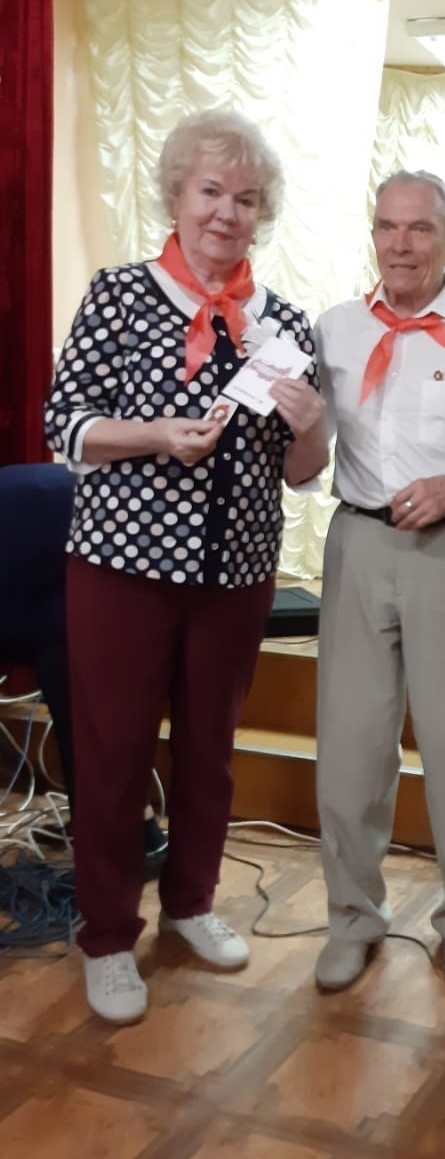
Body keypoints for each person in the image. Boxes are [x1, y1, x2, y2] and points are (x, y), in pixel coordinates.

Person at [44, 109, 327, 1025]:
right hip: (121, 569)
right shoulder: (121, 296)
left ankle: (192, 904)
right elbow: (64, 427)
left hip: (236, 576)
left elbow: (302, 471)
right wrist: (156, 436)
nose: (226, 213)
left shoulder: (283, 323)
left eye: (246, 199)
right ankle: (106, 936)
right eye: (210, 191)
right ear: (176, 195)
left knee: (212, 749)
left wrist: (313, 425)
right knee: (114, 753)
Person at [313, 170, 445, 991]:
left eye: (420, 229)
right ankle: (352, 919)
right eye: (386, 227)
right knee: (349, 749)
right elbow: (307, 452)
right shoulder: (334, 330)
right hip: (358, 544)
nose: (400, 245)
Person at [0, 463, 167, 872]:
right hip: (51, 550)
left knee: (84, 706)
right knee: (78, 696)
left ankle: (136, 839)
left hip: (88, 548)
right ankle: (109, 828)